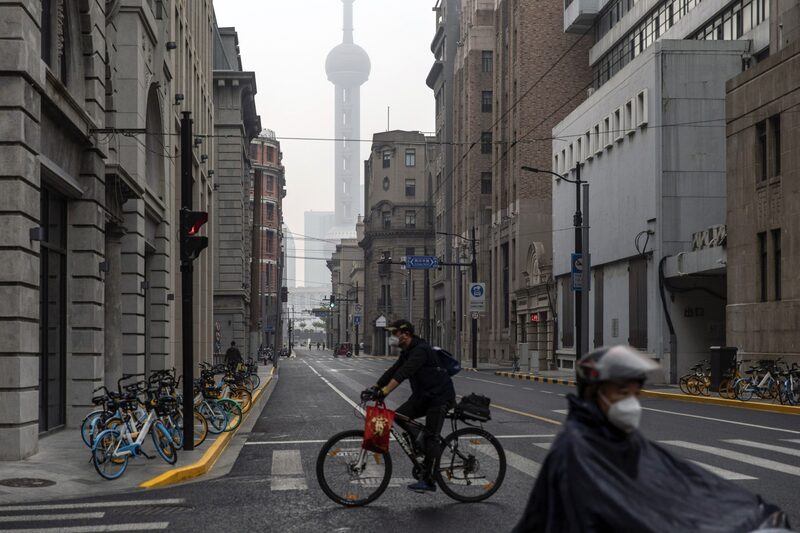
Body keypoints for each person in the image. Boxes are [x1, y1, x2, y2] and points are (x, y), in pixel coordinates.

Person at [512, 345, 790, 533]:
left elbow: (687, 483)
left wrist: (754, 512)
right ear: (593, 393)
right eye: (622, 392)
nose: (631, 402)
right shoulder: (577, 450)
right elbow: (628, 514)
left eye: (634, 393)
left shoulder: (621, 439)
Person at [360, 319, 455, 494]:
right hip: (423, 396)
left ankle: (429, 479)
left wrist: (385, 391)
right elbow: (393, 371)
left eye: (394, 334)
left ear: (406, 334)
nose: (392, 337)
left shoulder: (420, 350)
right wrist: (375, 387)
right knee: (398, 416)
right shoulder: (407, 351)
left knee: (431, 438)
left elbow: (404, 373)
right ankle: (420, 442)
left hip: (439, 397)